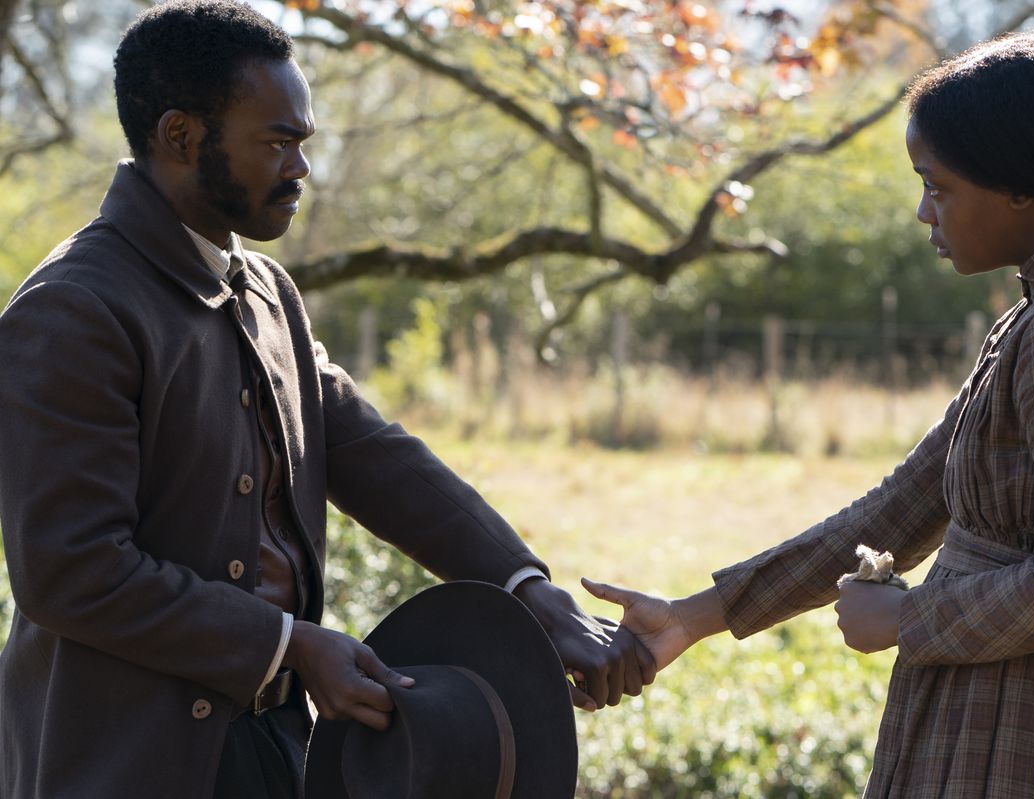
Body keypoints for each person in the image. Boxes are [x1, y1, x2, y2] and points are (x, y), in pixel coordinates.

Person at [0, 2, 650, 798]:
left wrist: (526, 591)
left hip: (279, 744)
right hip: (125, 762)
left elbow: (372, 453)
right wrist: (288, 644)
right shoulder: (72, 309)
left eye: (303, 142)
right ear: (179, 136)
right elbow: (70, 571)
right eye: (277, 142)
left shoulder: (268, 290)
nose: (301, 167)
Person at [585, 31, 1034, 797]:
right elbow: (903, 506)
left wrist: (910, 618)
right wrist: (694, 615)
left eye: (937, 186)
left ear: (1016, 185)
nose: (922, 211)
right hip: (1009, 698)